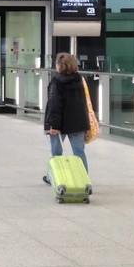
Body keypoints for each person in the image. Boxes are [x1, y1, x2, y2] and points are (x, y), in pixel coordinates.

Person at [42, 53, 91, 185]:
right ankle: (83, 178)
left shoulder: (56, 82)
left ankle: (53, 177)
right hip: (78, 122)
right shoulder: (80, 80)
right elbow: (85, 102)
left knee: (56, 152)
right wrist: (86, 124)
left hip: (60, 124)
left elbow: (54, 104)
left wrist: (53, 125)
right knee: (79, 152)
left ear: (59, 65)